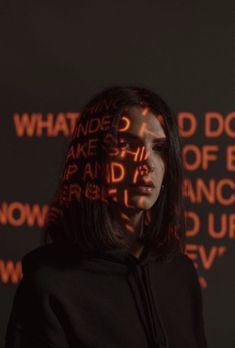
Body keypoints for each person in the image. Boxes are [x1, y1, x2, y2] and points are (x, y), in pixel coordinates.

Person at [5, 86, 208, 348]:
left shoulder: (180, 274)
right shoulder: (49, 282)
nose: (146, 162)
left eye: (159, 148)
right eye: (126, 145)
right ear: (93, 159)